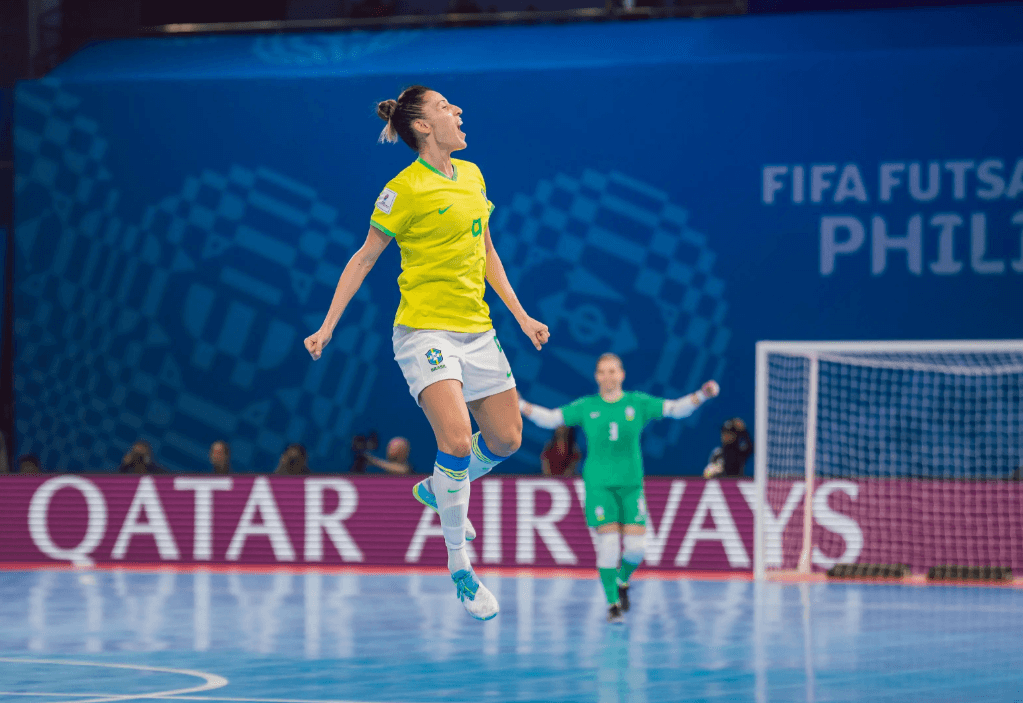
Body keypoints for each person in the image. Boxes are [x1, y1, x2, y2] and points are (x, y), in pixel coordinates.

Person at [304, 85, 549, 620]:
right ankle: (460, 568)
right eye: (444, 107)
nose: (458, 110)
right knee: (458, 439)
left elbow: (487, 253)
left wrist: (522, 315)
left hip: (477, 331)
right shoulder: (402, 190)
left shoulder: (476, 176)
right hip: (424, 333)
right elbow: (365, 258)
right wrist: (327, 327)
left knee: (507, 439)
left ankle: (439, 488)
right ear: (421, 126)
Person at [520, 353, 718, 624]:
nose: (608, 376)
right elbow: (553, 418)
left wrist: (701, 395)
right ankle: (613, 603)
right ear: (596, 376)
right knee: (609, 544)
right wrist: (521, 405)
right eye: (602, 372)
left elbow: (674, 409)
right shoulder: (587, 406)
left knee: (636, 549)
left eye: (613, 371)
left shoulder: (637, 403)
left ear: (622, 374)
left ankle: (622, 580)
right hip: (599, 485)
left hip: (631, 485)